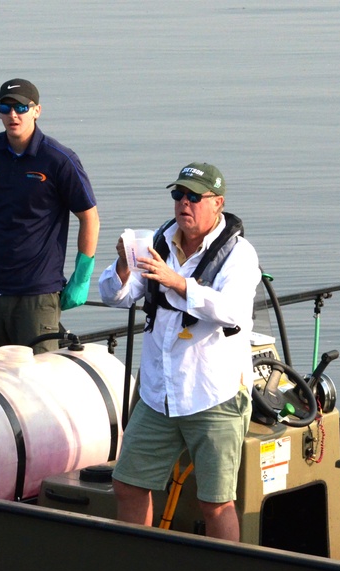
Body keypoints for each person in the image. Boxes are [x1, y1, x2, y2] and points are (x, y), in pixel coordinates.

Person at [98, 163, 259, 541]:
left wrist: (179, 283)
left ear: (217, 203)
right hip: (158, 394)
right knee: (128, 485)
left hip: (213, 394)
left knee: (216, 503)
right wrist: (123, 265)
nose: (183, 204)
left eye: (193, 197)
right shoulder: (157, 243)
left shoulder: (239, 255)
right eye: (177, 195)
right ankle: (137, 570)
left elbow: (232, 311)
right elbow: (114, 296)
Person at [0, 78, 100, 369]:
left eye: (20, 108)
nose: (13, 115)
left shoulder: (59, 159)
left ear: (37, 110)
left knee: (37, 382)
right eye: (6, 107)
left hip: (37, 293)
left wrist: (81, 278)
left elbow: (88, 216)